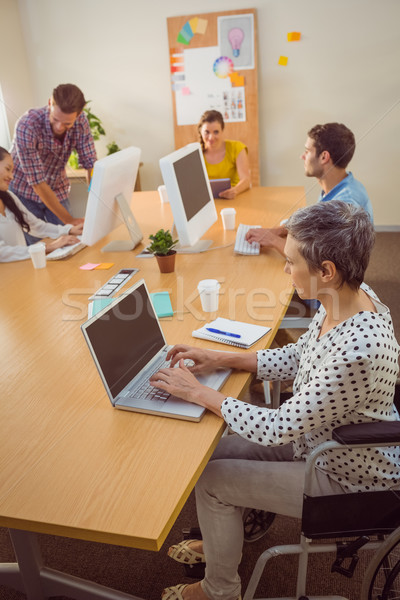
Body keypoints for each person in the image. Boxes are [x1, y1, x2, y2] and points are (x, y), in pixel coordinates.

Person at [150, 200, 400, 600]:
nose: (285, 270)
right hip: (316, 439)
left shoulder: (358, 351)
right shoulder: (347, 296)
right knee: (207, 456)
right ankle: (220, 543)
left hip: (346, 477)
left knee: (213, 481)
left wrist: (200, 393)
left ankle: (220, 589)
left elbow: (276, 426)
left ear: (327, 271)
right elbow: (298, 354)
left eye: (291, 262)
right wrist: (220, 357)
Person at [246, 122, 373, 256]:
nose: (302, 156)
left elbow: (319, 256)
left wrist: (272, 240)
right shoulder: (339, 186)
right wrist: (277, 231)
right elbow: (317, 225)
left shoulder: (345, 203)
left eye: (307, 151)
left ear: (324, 157)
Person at [9, 83, 97, 242]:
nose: (59, 127)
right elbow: (37, 182)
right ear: (50, 103)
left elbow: (91, 164)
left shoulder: (81, 122)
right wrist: (69, 221)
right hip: (24, 192)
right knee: (39, 249)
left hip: (57, 188)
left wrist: (95, 207)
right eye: (55, 119)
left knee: (72, 244)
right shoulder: (27, 125)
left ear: (78, 114)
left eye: (67, 124)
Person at [0, 147, 82, 262]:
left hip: (22, 268)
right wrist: (48, 247)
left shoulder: (9, 197)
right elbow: (2, 253)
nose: (11, 177)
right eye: (8, 169)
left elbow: (35, 226)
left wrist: (69, 230)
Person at [197, 110, 250, 199]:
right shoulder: (196, 154)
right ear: (201, 132)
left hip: (234, 198)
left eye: (216, 132)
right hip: (207, 201)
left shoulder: (237, 147)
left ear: (222, 131)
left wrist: (235, 190)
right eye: (207, 132)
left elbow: (246, 180)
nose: (211, 137)